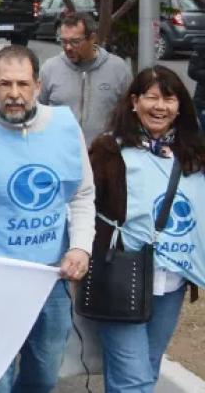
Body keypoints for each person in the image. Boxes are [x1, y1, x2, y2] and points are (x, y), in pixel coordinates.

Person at [0, 45, 94, 393]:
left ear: (38, 86)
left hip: (50, 278)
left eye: (23, 84)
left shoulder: (66, 129)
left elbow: (82, 195)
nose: (14, 94)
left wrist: (81, 247)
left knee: (43, 375)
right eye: (5, 84)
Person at [88, 66, 204, 393]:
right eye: (151, 97)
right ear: (134, 102)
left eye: (169, 98)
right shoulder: (109, 150)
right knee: (133, 380)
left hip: (173, 280)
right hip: (120, 276)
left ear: (180, 105)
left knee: (146, 370)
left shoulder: (194, 153)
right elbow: (83, 206)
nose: (160, 106)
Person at [39, 12, 131, 142]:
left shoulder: (118, 69)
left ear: (92, 38)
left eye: (75, 42)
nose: (68, 47)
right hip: (61, 152)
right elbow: (38, 112)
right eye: (63, 41)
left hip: (103, 154)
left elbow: (128, 114)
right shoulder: (50, 69)